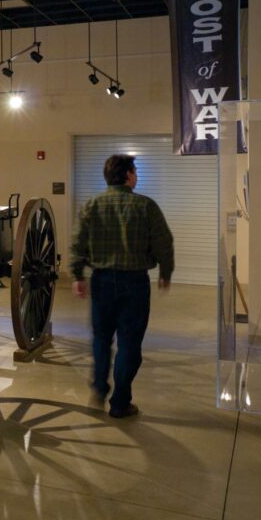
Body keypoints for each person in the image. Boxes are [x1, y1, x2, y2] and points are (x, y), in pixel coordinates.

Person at [70, 154, 174, 419]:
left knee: (102, 338)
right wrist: (165, 271)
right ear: (127, 175)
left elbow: (77, 242)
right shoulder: (145, 206)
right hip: (134, 282)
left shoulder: (92, 205)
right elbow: (163, 241)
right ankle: (120, 402)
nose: (136, 175)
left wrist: (77, 275)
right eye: (135, 171)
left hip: (102, 280)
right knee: (129, 343)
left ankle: (99, 387)